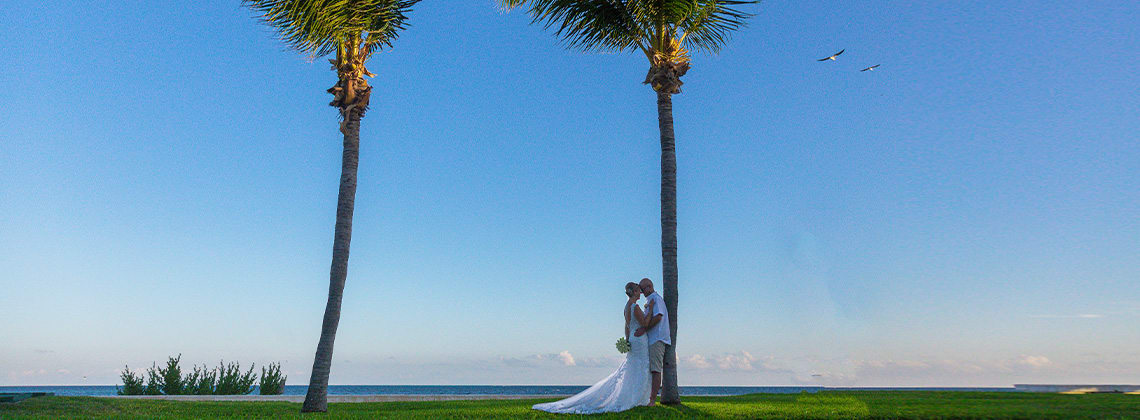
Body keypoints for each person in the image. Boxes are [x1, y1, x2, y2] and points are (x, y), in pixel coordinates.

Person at [532, 282, 655, 413]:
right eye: (638, 291)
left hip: (632, 338)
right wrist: (651, 308)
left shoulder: (627, 307)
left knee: (634, 368)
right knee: (639, 367)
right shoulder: (635, 307)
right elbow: (645, 323)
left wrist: (627, 340)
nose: (640, 293)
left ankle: (635, 398)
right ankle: (636, 398)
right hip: (639, 340)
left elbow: (627, 326)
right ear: (634, 292)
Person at [634, 277, 669, 406]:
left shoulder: (656, 299)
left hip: (657, 338)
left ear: (649, 287)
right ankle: (647, 398)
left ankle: (652, 400)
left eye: (642, 290)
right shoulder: (650, 300)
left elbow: (658, 317)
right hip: (651, 339)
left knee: (655, 370)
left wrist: (644, 329)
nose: (641, 293)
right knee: (650, 369)